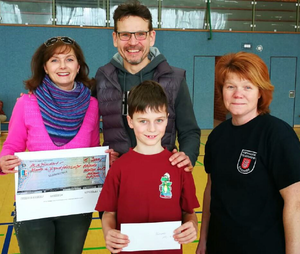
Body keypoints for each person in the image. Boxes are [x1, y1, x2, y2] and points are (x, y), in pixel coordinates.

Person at [0, 36, 99, 254]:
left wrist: (103, 161)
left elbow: (92, 152)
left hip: (76, 205)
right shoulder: (26, 103)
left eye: (69, 59)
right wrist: (4, 161)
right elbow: (11, 146)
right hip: (34, 205)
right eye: (55, 60)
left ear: (78, 66)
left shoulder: (92, 105)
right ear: (45, 67)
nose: (63, 66)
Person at [196, 52, 300, 254]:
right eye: (230, 86)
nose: (237, 94)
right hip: (220, 246)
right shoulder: (217, 137)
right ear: (222, 91)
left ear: (260, 92)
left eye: (247, 87)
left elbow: (295, 204)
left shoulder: (278, 135)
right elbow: (211, 189)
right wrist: (203, 239)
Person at [95, 80, 199, 253]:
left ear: (167, 119)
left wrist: (191, 227)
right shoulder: (118, 168)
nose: (152, 128)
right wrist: (109, 232)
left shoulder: (179, 165)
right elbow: (109, 214)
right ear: (130, 121)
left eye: (158, 120)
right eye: (143, 121)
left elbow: (189, 213)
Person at [95, 1, 200, 171]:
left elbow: (189, 131)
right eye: (125, 35)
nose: (133, 42)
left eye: (140, 34)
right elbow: (84, 125)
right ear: (115, 38)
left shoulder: (175, 79)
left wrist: (188, 155)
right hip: (119, 173)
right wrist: (100, 154)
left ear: (152, 37)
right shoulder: (103, 77)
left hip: (162, 173)